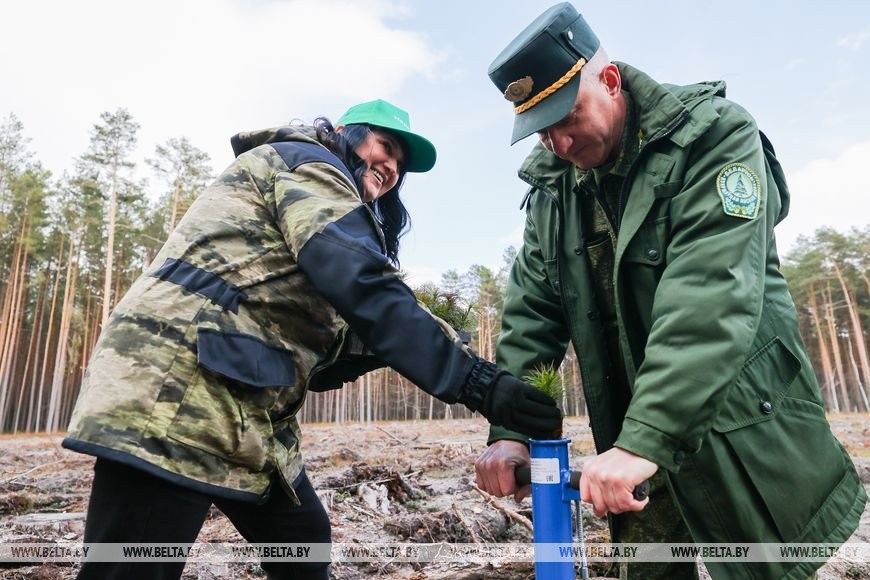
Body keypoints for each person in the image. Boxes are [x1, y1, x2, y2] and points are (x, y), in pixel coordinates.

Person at [63, 98, 562, 580]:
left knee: (304, 539)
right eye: (385, 146)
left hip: (246, 405)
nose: (390, 166)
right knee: (133, 563)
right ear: (346, 135)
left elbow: (332, 351)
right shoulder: (308, 166)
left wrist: (427, 343)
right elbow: (361, 282)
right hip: (173, 390)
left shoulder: (329, 222)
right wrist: (477, 382)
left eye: (399, 165)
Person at [474, 4, 866, 579]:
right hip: (633, 427)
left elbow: (710, 294)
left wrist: (644, 441)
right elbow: (532, 311)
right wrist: (512, 433)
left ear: (608, 80)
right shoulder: (552, 188)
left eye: (567, 115)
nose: (557, 141)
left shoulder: (713, 136)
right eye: (540, 128)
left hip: (740, 413)